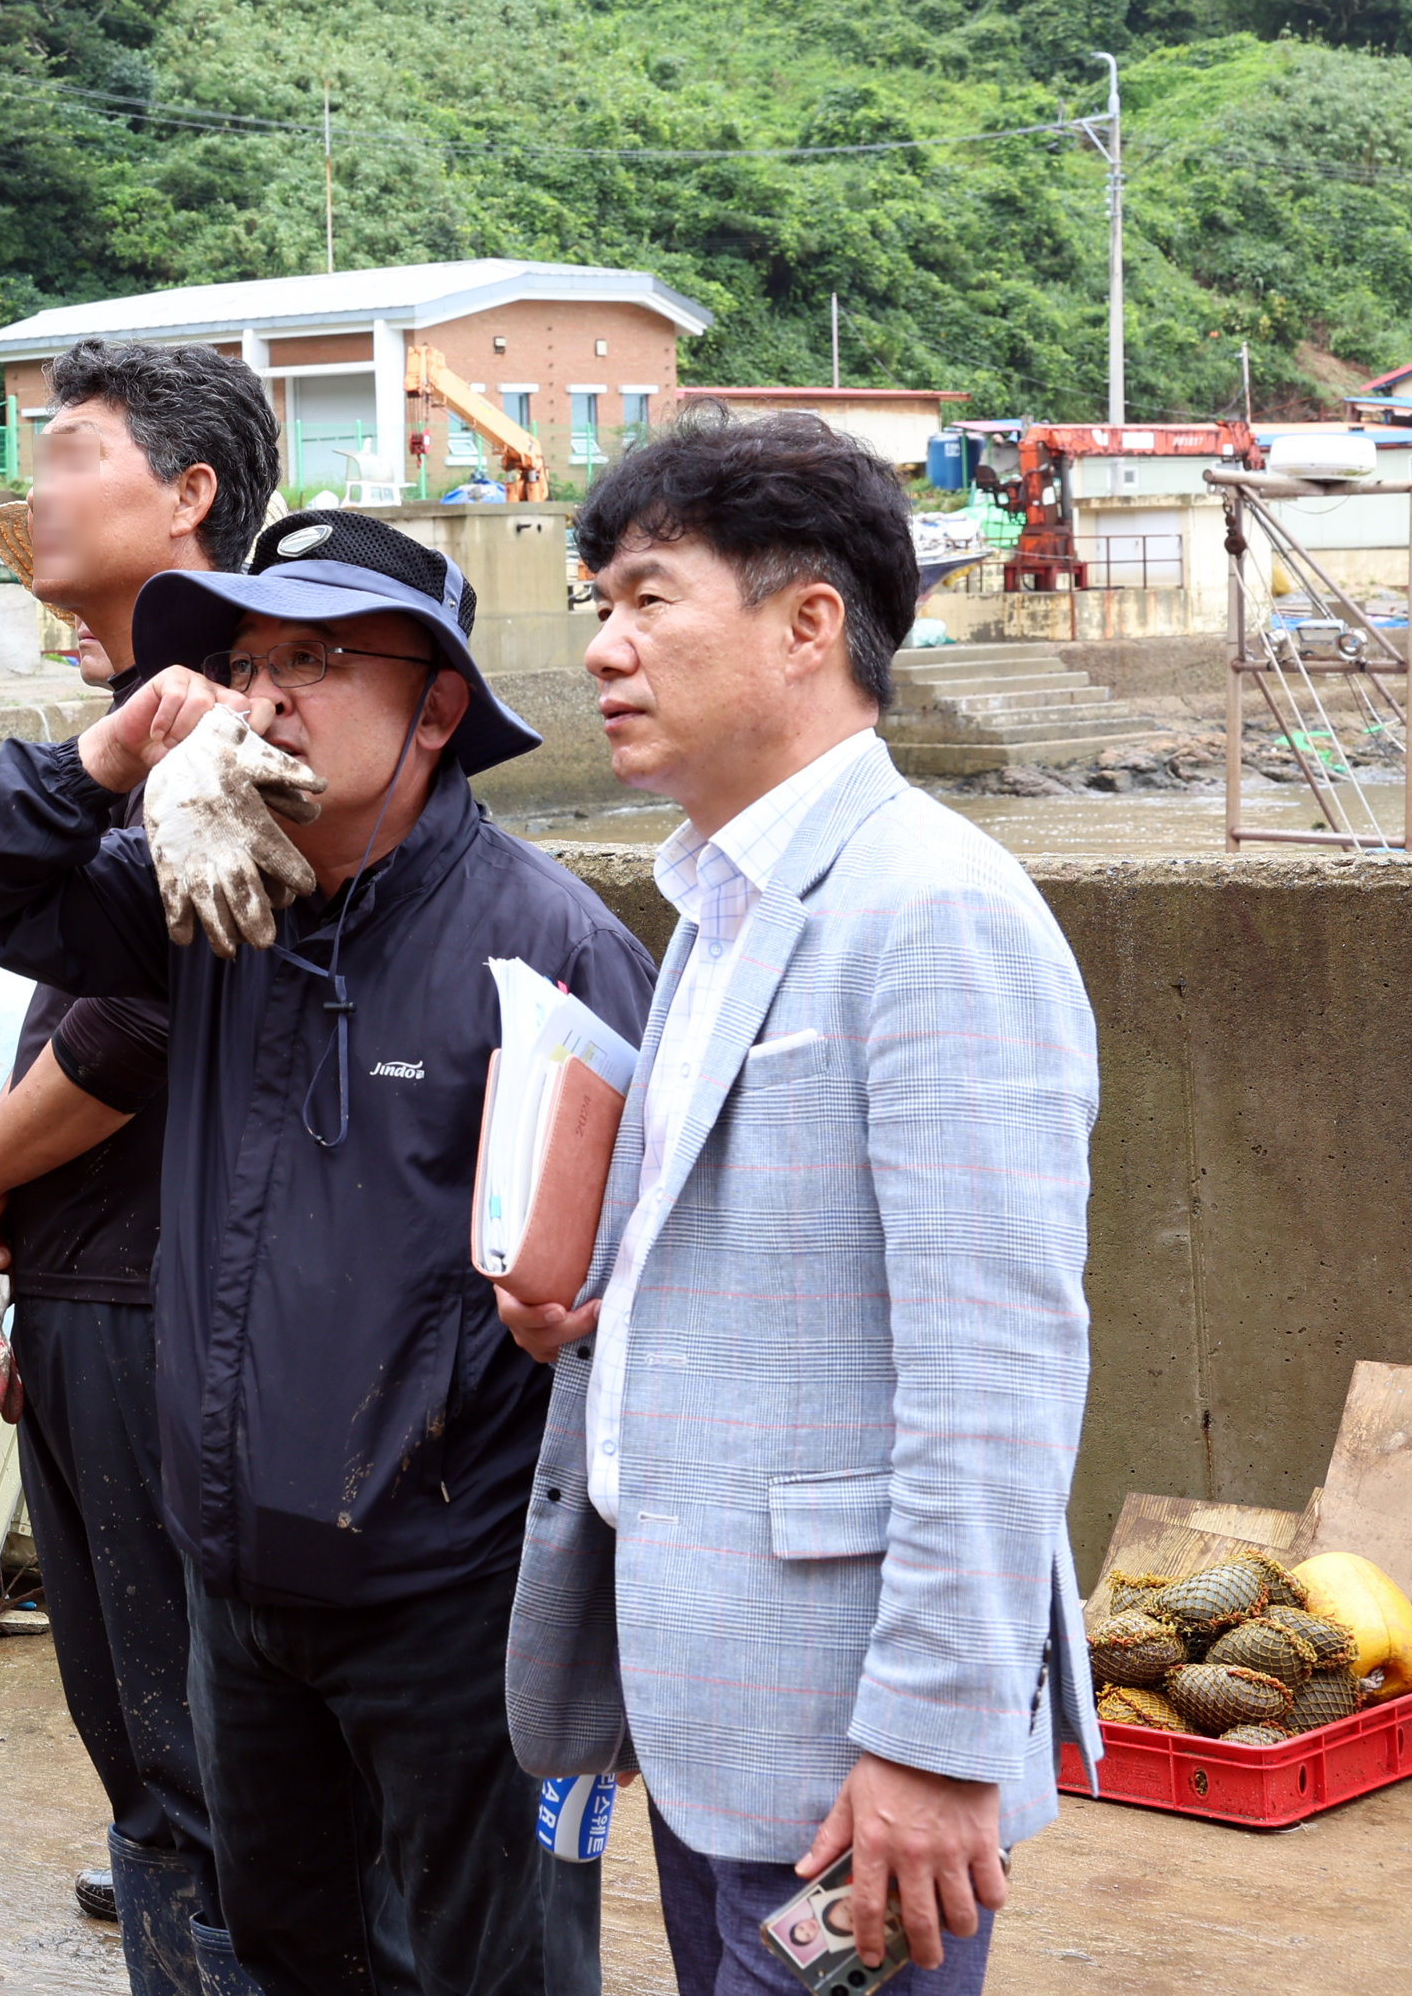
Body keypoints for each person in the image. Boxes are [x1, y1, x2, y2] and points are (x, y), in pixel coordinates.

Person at [0, 507, 652, 1996]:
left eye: (316, 658)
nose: (265, 694)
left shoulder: (548, 945)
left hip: (449, 1594)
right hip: (239, 1587)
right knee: (297, 1955)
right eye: (246, 659)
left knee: (493, 1966)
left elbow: (633, 1290)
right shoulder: (213, 900)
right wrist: (111, 766)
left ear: (437, 705)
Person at [500, 417, 1098, 1993]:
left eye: (645, 598)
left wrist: (932, 1740)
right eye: (596, 606)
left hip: (859, 1759)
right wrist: (608, 1315)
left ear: (808, 622)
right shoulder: (719, 900)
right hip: (714, 1711)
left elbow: (999, 1366)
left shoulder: (936, 908)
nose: (604, 648)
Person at [0, 338, 281, 1989]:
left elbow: (146, 1020)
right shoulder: (134, 741)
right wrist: (5, 1256)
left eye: (72, 455)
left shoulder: (240, 728)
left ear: (190, 494)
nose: (38, 489)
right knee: (145, 1753)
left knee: (194, 1773)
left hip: (169, 1296)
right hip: (91, 1284)